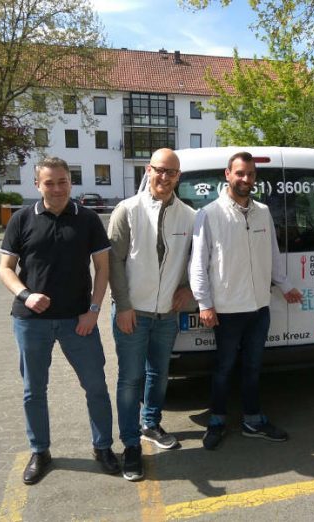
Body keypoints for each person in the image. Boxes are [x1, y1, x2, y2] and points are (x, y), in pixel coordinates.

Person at [0, 157, 119, 485]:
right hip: (31, 321)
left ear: (71, 182)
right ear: (37, 184)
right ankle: (40, 451)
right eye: (49, 182)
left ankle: (103, 447)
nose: (56, 188)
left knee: (95, 386)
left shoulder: (88, 219)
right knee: (33, 390)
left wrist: (93, 311)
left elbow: (103, 269)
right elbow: (5, 269)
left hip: (77, 321)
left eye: (62, 181)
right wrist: (26, 295)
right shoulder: (22, 220)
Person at [189, 151, 303, 450]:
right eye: (240, 173)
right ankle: (217, 421)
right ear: (227, 174)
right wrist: (205, 303)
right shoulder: (209, 214)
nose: (245, 179)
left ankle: (253, 419)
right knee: (224, 368)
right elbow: (198, 264)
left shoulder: (263, 212)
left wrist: (285, 284)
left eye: (250, 175)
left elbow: (273, 254)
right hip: (226, 310)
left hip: (258, 307)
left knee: (253, 367)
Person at [108, 148, 196, 481]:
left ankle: (150, 424)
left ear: (178, 177)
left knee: (159, 374)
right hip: (133, 312)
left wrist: (187, 288)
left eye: (171, 172)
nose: (164, 177)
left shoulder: (188, 215)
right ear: (148, 170)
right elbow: (113, 261)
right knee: (130, 379)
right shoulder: (126, 210)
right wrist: (124, 305)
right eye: (159, 170)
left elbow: (193, 259)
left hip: (166, 315)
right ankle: (131, 445)